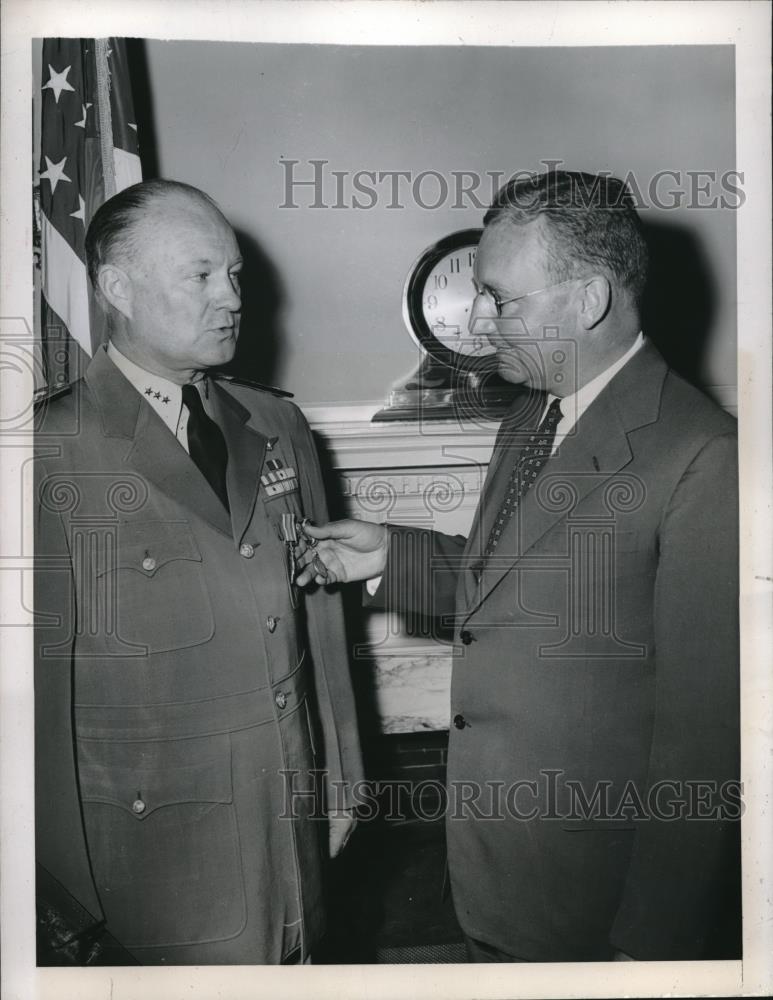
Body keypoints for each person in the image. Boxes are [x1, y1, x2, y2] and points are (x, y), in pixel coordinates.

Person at [297, 170, 741, 962]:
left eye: (501, 299)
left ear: (588, 300)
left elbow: (704, 743)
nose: (476, 319)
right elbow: (526, 584)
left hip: (592, 908)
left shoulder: (702, 458)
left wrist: (652, 947)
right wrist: (387, 557)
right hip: (493, 873)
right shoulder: (535, 411)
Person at [34, 178, 362, 965]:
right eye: (202, 275)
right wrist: (60, 892)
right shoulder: (48, 449)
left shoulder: (275, 423)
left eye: (236, 275)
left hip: (292, 824)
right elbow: (32, 700)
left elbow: (317, 615)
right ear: (118, 288)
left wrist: (343, 775)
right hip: (154, 861)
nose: (231, 297)